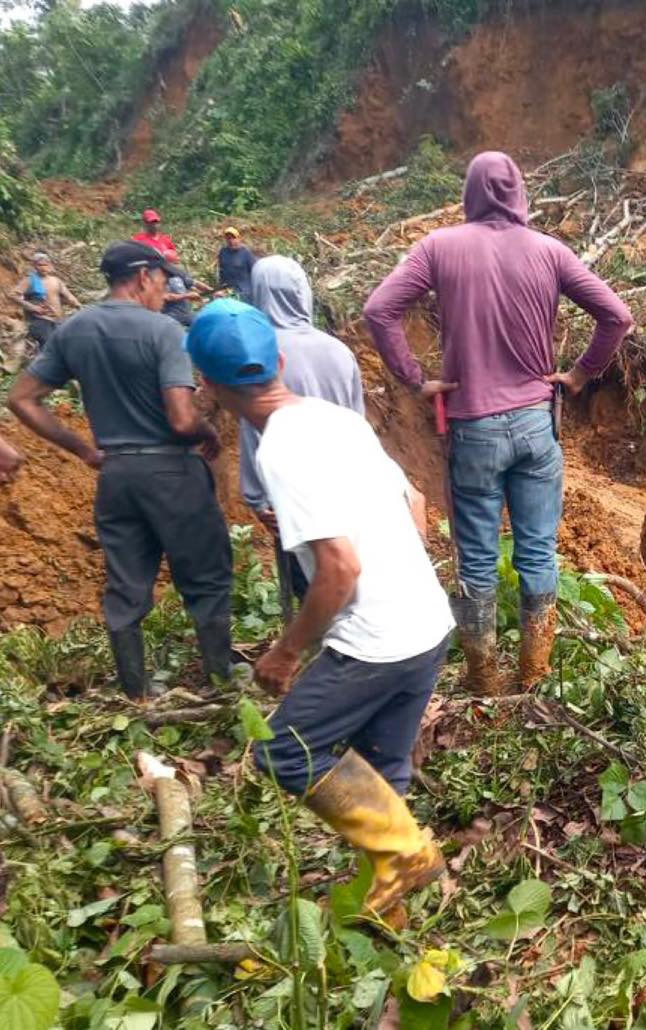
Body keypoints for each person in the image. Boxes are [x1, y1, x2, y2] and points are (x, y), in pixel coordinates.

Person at [186, 298, 451, 924]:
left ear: (210, 386)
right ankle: (388, 908)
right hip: (428, 623)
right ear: (278, 359)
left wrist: (286, 651)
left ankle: (408, 854)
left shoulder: (279, 451)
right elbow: (415, 505)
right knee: (382, 768)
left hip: (378, 642)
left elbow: (340, 570)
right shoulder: (339, 421)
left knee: (282, 750)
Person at [363, 151, 633, 695]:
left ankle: (484, 677)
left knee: (479, 555)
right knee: (538, 550)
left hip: (474, 429)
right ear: (520, 195)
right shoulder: (550, 252)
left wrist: (416, 379)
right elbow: (617, 316)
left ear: (470, 193)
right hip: (536, 425)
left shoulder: (438, 248)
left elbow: (378, 310)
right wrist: (580, 376)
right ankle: (533, 676)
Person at [5, 241, 236, 700]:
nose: (164, 288)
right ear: (143, 277)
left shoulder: (75, 329)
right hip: (172, 472)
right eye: (162, 279)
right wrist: (208, 430)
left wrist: (85, 450)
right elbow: (180, 418)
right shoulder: (163, 332)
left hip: (117, 477)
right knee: (206, 578)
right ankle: (220, 684)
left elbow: (21, 398)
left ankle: (136, 693)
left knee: (127, 586)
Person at [242, 255, 366, 602]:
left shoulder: (259, 354)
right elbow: (358, 423)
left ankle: (318, 648)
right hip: (343, 489)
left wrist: (259, 498)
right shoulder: (339, 352)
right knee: (348, 576)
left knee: (311, 586)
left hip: (292, 493)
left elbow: (253, 429)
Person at [13, 252, 79, 353]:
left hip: (57, 319)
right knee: (48, 347)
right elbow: (13, 295)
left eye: (45, 264)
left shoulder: (56, 281)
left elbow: (68, 295)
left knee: (63, 345)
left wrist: (77, 305)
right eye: (40, 265)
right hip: (40, 320)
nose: (43, 268)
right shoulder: (30, 281)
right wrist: (33, 307)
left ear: (50, 265)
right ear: (34, 266)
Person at [216, 227, 257, 303]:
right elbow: (221, 272)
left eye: (233, 238)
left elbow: (255, 271)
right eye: (228, 238)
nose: (231, 241)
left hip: (245, 292)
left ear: (239, 239)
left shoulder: (246, 253)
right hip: (228, 291)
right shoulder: (223, 252)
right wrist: (220, 289)